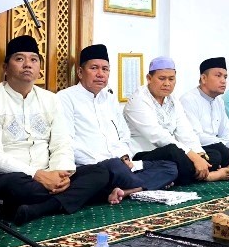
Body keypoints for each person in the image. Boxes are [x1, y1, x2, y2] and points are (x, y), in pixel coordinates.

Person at [0, 36, 120, 225]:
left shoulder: (50, 99)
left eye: (33, 60)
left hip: (47, 174)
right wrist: (37, 175)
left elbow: (61, 142)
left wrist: (59, 173)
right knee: (19, 186)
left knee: (100, 173)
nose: (27, 65)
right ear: (5, 68)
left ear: (39, 68)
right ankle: (63, 200)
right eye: (19, 59)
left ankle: (37, 209)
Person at [57, 44, 178, 196]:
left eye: (105, 69)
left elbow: (124, 135)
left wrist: (124, 157)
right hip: (92, 167)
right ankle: (138, 185)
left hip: (119, 164)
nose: (100, 74)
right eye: (94, 68)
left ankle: (127, 190)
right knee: (109, 171)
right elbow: (66, 142)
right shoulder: (65, 98)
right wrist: (109, 161)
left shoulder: (109, 98)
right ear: (80, 72)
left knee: (170, 167)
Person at [124, 57, 229, 182]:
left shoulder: (172, 100)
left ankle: (195, 172)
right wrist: (191, 155)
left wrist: (199, 154)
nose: (167, 83)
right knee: (173, 151)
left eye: (171, 79)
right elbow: (158, 136)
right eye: (162, 78)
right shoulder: (138, 100)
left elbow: (185, 130)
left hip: (174, 152)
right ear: (149, 78)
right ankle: (208, 176)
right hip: (144, 153)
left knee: (214, 154)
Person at [180, 57, 229, 173]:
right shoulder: (188, 100)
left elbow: (226, 131)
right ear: (204, 78)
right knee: (218, 153)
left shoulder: (219, 101)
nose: (223, 81)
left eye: (225, 77)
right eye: (218, 76)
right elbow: (196, 136)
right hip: (200, 147)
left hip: (219, 143)